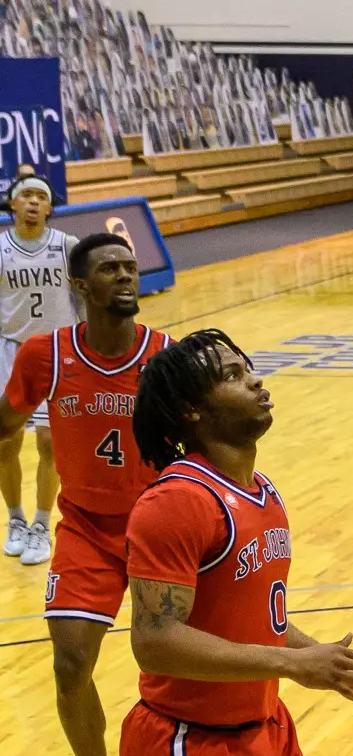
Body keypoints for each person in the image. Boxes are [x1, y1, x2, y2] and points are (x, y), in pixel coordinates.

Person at [120, 330, 353, 754]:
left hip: (266, 729)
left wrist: (327, 663)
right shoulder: (177, 501)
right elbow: (155, 643)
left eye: (249, 370)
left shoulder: (260, 490)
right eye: (233, 376)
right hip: (190, 738)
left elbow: (259, 621)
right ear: (191, 410)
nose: (255, 381)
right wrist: (294, 664)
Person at [0, 233, 170, 756]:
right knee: (70, 666)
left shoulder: (166, 356)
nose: (124, 275)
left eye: (130, 266)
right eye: (109, 268)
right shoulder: (43, 354)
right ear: (79, 285)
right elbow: (6, 424)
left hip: (159, 530)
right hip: (86, 531)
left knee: (176, 664)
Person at [1, 174, 77, 567]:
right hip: (9, 352)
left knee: (50, 443)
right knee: (5, 442)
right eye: (25, 195)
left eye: (40, 196)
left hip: (56, 352)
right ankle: (15, 519)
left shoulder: (68, 247)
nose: (32, 202)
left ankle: (41, 526)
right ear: (12, 204)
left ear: (49, 206)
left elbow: (85, 297)